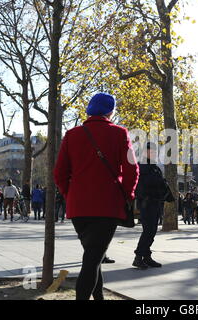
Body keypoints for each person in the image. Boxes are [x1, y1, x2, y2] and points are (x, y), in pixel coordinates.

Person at [54, 92, 139, 300]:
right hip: (107, 206)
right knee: (92, 259)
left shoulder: (72, 134)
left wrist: (70, 195)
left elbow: (59, 173)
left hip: (78, 208)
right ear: (111, 111)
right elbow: (132, 169)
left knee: (93, 255)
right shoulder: (119, 133)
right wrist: (127, 195)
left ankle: (99, 297)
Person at [133, 142, 172, 270]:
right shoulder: (142, 166)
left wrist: (167, 194)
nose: (154, 153)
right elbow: (143, 185)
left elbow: (161, 182)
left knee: (152, 230)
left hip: (155, 203)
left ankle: (146, 256)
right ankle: (138, 257)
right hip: (147, 203)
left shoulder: (154, 167)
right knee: (148, 231)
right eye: (152, 151)